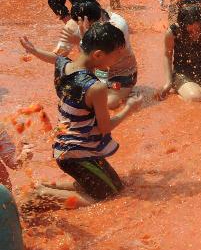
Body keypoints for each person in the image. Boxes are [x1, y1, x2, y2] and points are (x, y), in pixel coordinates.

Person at [20, 22, 141, 207]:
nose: (119, 58)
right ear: (98, 54)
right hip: (76, 152)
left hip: (67, 146)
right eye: (116, 54)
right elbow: (105, 127)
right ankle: (40, 195)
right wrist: (129, 109)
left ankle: (45, 186)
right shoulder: (96, 88)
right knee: (107, 198)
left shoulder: (65, 64)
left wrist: (35, 51)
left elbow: (54, 58)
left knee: (118, 187)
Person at [44, 0, 137, 108]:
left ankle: (126, 90)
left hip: (121, 74)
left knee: (109, 104)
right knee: (71, 95)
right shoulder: (73, 25)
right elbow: (59, 56)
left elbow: (100, 59)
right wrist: (34, 51)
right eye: (77, 22)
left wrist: (82, 38)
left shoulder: (116, 26)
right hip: (96, 73)